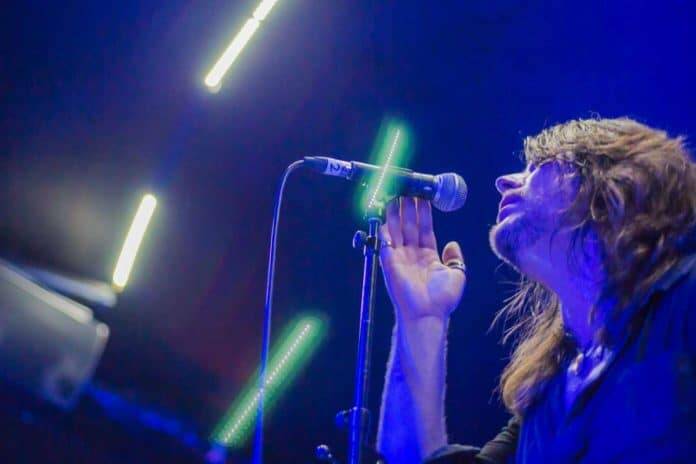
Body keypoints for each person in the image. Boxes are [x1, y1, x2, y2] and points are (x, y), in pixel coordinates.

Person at [375, 118, 696, 463]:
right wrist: (421, 319)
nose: (503, 180)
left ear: (616, 184)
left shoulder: (685, 300)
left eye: (538, 164)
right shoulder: (547, 401)